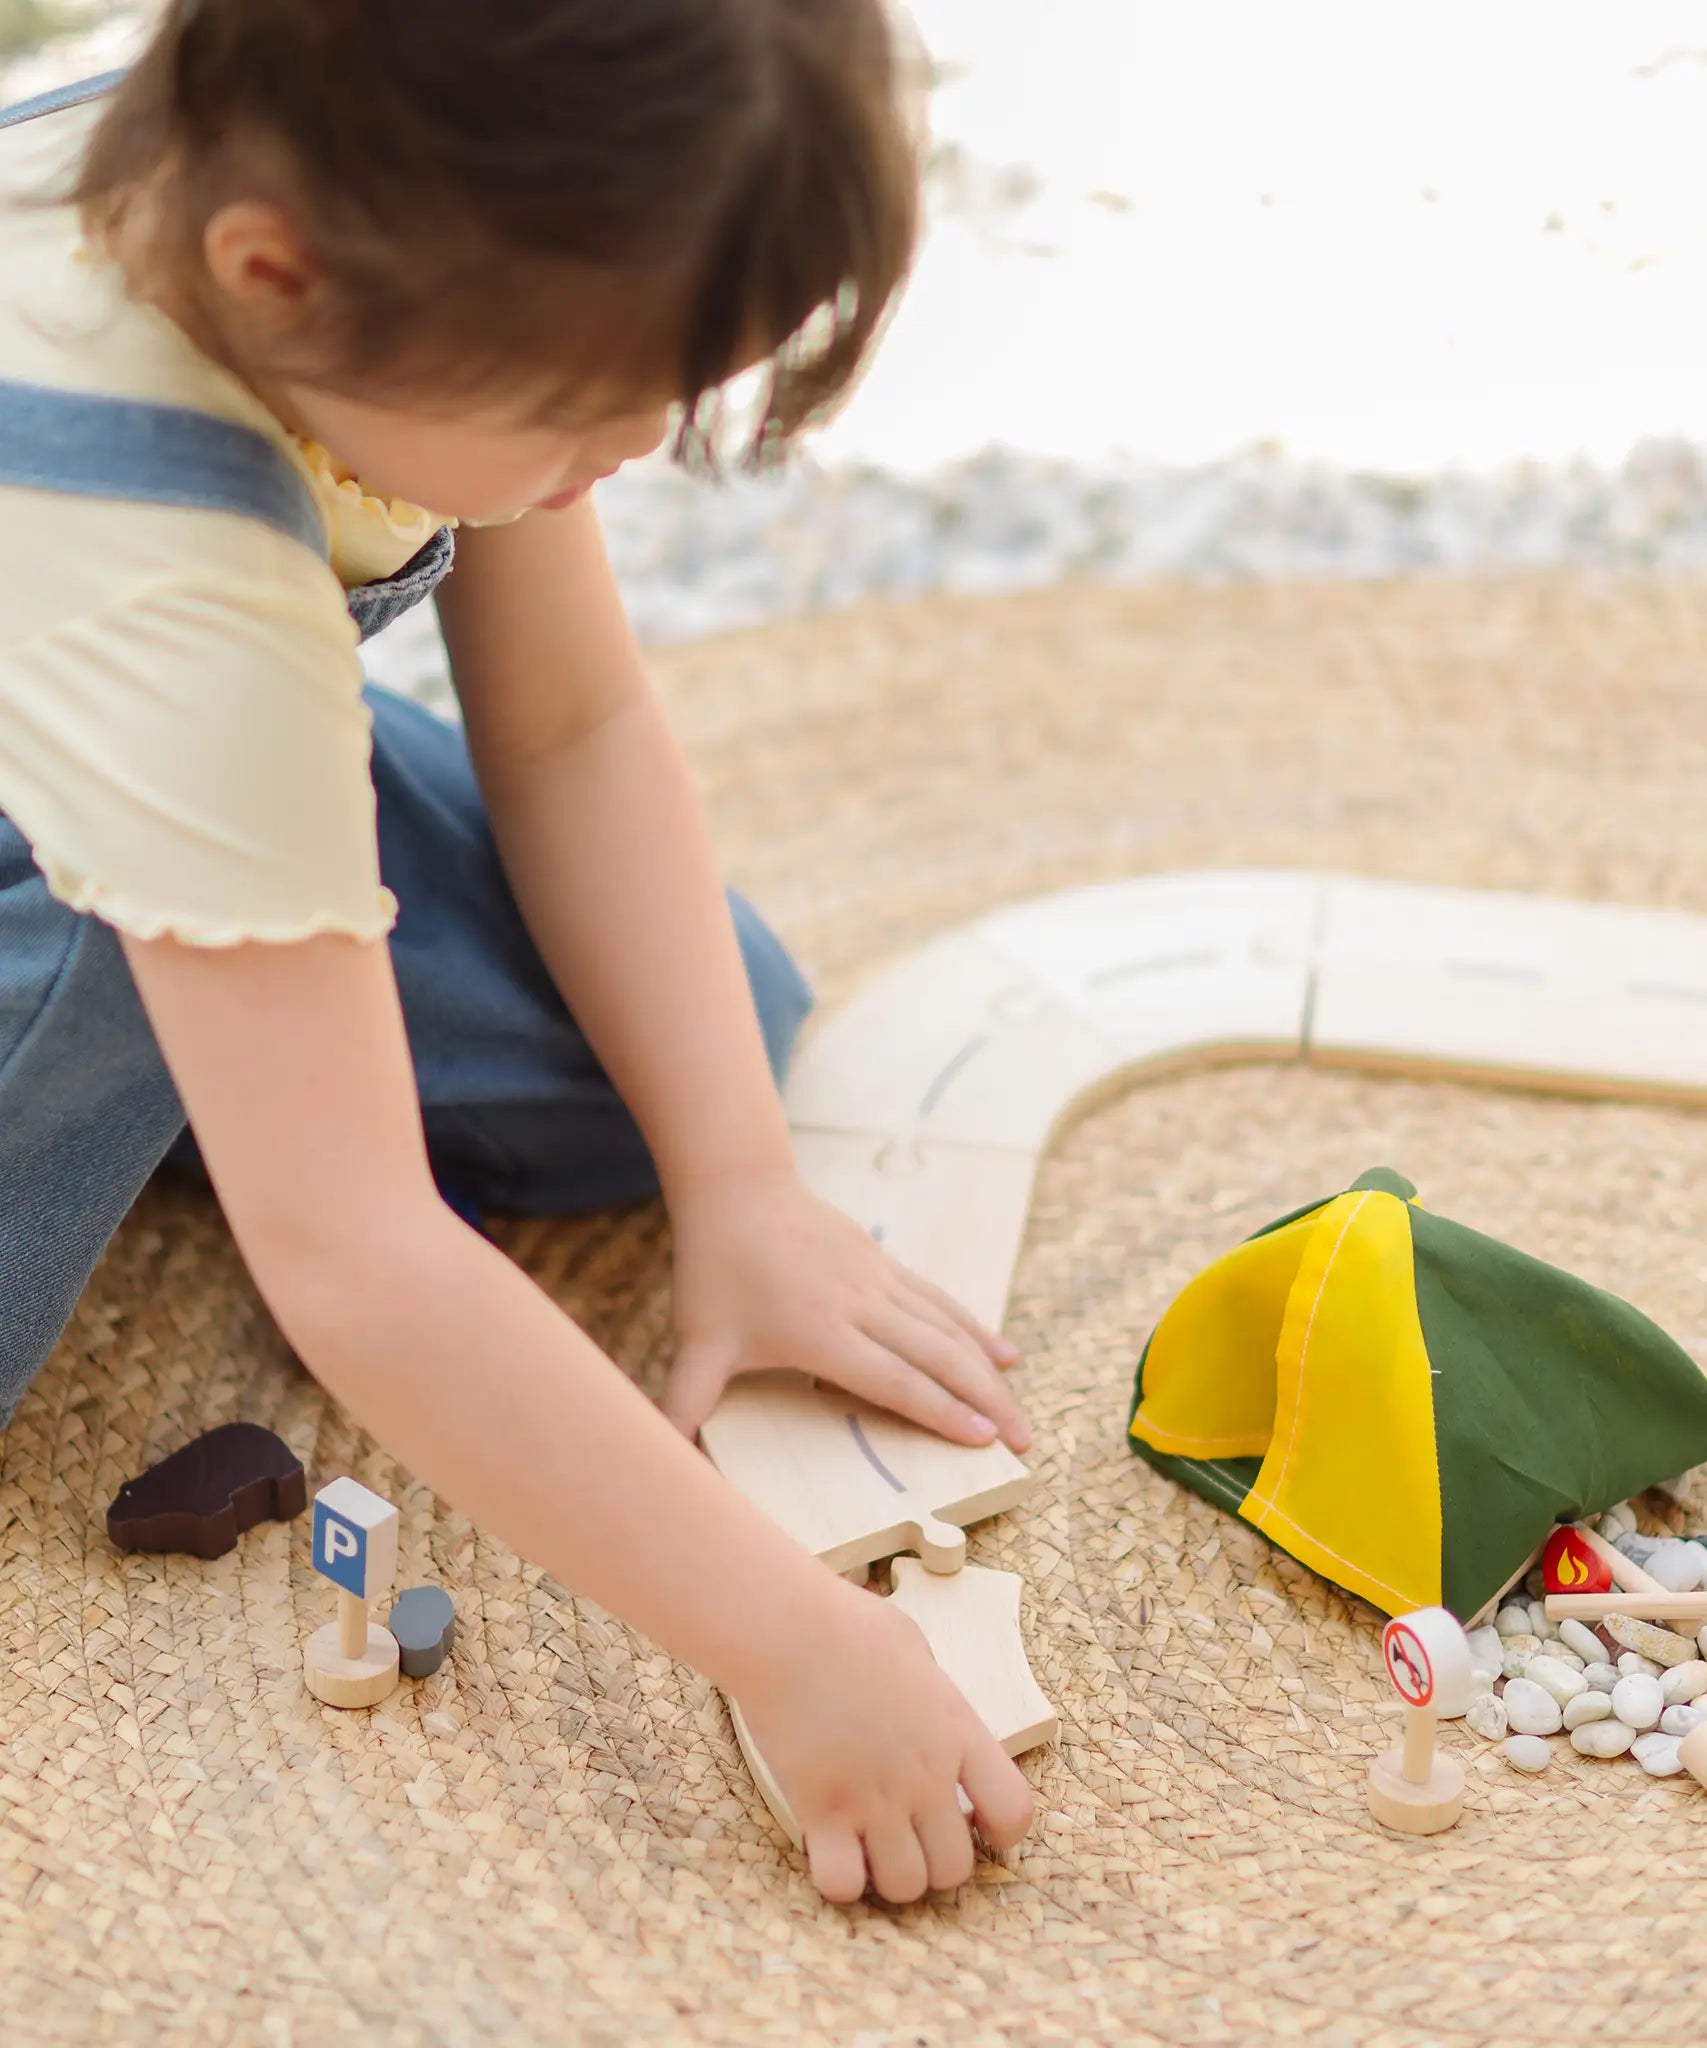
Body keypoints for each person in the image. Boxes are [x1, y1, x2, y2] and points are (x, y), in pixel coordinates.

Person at [0, 0, 1038, 1903]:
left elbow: (566, 728)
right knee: (142, 992)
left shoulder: (368, 182)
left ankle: (232, 1052)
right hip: (78, 769)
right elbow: (363, 1265)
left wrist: (742, 1186)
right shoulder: (163, 556)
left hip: (143, 720)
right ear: (278, 282)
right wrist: (797, 1646)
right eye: (582, 406)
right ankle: (199, 1067)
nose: (632, 448)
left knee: (693, 1052)